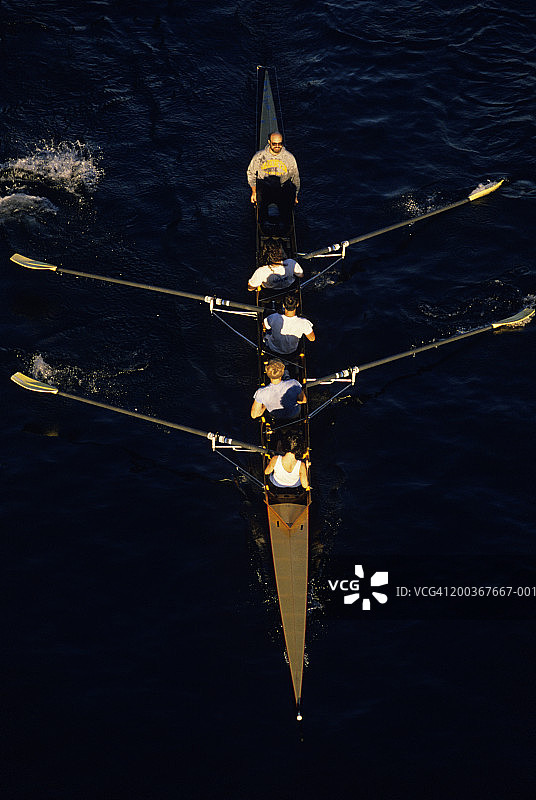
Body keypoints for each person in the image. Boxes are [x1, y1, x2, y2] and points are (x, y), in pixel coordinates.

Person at [246, 131, 300, 227]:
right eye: (274, 143)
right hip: (265, 189)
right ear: (269, 142)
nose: (277, 146)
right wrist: (253, 192)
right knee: (261, 206)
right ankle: (262, 225)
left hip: (282, 190)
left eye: (280, 144)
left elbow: (295, 178)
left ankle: (285, 226)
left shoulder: (289, 158)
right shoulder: (259, 157)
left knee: (287, 211)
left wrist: (295, 196)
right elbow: (251, 173)